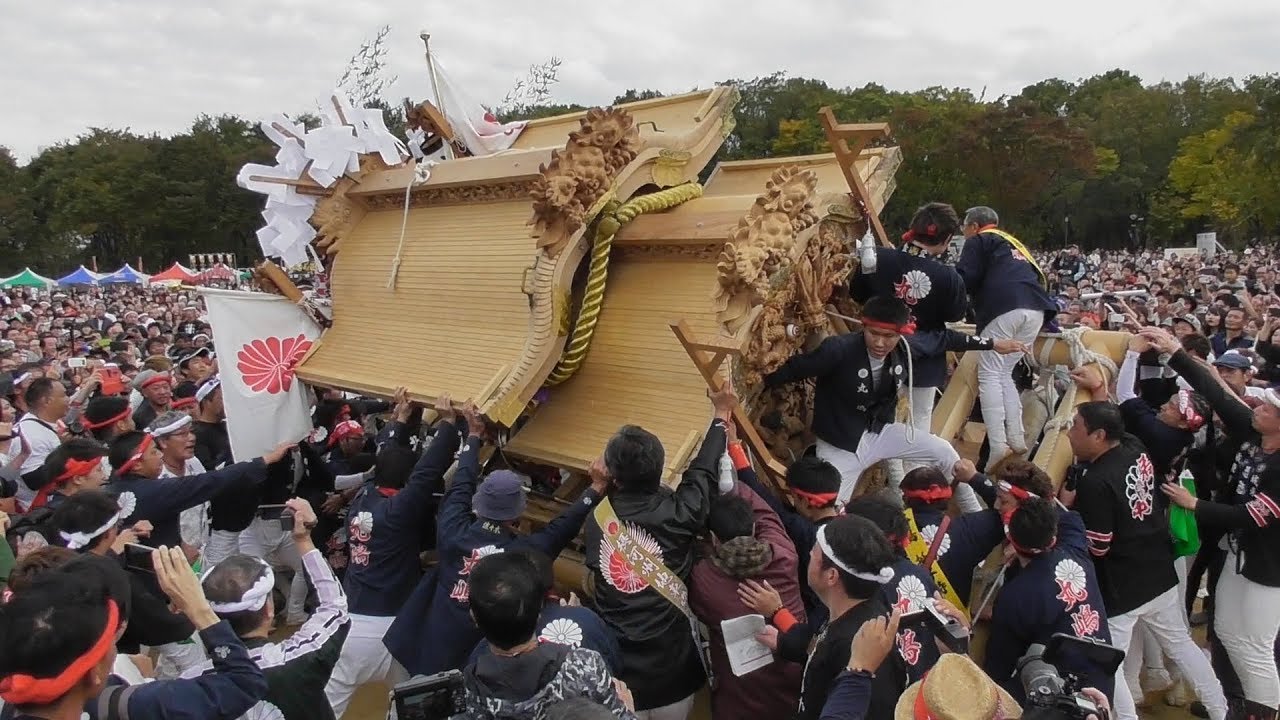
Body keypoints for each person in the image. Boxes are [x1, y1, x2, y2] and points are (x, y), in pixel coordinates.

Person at [383, 400, 604, 697]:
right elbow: (561, 528)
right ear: (516, 516)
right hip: (467, 676)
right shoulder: (522, 556)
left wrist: (473, 436)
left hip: (417, 656)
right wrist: (595, 489)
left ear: (479, 503)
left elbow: (461, 485)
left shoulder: (451, 531)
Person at [850, 201, 1024, 509]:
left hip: (878, 354)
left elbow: (857, 292)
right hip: (925, 359)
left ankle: (895, 485)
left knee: (881, 422)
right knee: (920, 429)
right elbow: (954, 313)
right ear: (945, 241)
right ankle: (920, 497)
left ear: (912, 231)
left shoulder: (879, 258)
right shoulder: (949, 278)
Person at [1063, 401, 1227, 720]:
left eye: (1075, 428)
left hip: (1122, 587)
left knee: (1110, 663)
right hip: (1158, 568)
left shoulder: (1095, 480)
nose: (1070, 434)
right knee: (1181, 644)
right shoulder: (1134, 445)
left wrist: (1066, 516)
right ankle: (1221, 711)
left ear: (1097, 435)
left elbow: (1098, 546)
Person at [578, 384, 732, 719]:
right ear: (660, 468)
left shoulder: (597, 521)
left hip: (619, 674)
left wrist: (598, 485)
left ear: (612, 474)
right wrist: (720, 415)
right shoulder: (681, 513)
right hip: (673, 672)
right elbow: (702, 470)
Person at [1152, 327, 1280, 719]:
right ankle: (1233, 703)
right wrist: (1177, 353)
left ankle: (1263, 710)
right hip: (1236, 553)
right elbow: (1218, 394)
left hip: (1267, 564)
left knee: (1255, 643)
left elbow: (1255, 514)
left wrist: (1195, 505)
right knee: (1224, 630)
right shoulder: (1253, 433)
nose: (1256, 406)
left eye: (1268, 407)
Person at [0, 545, 268, 719]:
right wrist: (197, 608)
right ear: (93, 673)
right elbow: (243, 683)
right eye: (109, 647)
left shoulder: (12, 701)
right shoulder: (129, 707)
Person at [764, 295, 961, 502]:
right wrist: (759, 377)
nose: (880, 342)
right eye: (873, 333)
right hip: (839, 443)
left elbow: (945, 339)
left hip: (879, 432)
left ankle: (964, 511)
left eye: (889, 336)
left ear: (901, 333)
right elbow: (796, 368)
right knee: (830, 504)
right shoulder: (838, 349)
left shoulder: (905, 348)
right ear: (863, 326)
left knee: (946, 453)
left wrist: (993, 343)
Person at [184, 498, 350, 720]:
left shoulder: (190, 684)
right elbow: (335, 607)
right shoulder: (300, 659)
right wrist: (303, 539)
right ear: (269, 610)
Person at [689, 449, 804, 720]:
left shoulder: (704, 579)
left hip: (741, 698)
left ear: (714, 539)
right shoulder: (784, 554)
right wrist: (731, 485)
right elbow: (764, 511)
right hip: (792, 684)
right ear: (754, 529)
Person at [458, 551, 637, 719]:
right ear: (540, 613)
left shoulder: (466, 692)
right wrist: (628, 712)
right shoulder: (584, 665)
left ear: (474, 616)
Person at [773, 514, 906, 720]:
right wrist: (779, 624)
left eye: (815, 553)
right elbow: (821, 652)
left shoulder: (860, 646)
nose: (809, 552)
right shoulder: (849, 614)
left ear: (831, 576)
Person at [955, 206, 1057, 469]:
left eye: (964, 228)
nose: (964, 234)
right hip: (1035, 309)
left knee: (988, 374)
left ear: (975, 226)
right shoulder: (1015, 244)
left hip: (1004, 306)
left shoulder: (980, 240)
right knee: (1004, 374)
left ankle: (998, 444)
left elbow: (966, 276)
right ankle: (1016, 436)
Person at [984, 496, 1115, 699]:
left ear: (1011, 539)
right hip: (1100, 687)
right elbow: (1072, 517)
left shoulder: (1014, 596)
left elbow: (997, 669)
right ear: (1053, 538)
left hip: (1052, 694)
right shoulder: (1075, 551)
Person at [104, 430, 290, 550]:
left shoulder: (107, 494)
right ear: (136, 465)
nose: (160, 456)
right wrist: (263, 461)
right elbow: (210, 481)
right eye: (153, 452)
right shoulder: (156, 491)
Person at [13, 377, 67, 511]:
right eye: (64, 395)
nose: (68, 399)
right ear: (47, 401)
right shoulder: (30, 432)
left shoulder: (42, 424)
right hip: (39, 509)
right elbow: (32, 480)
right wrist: (67, 452)